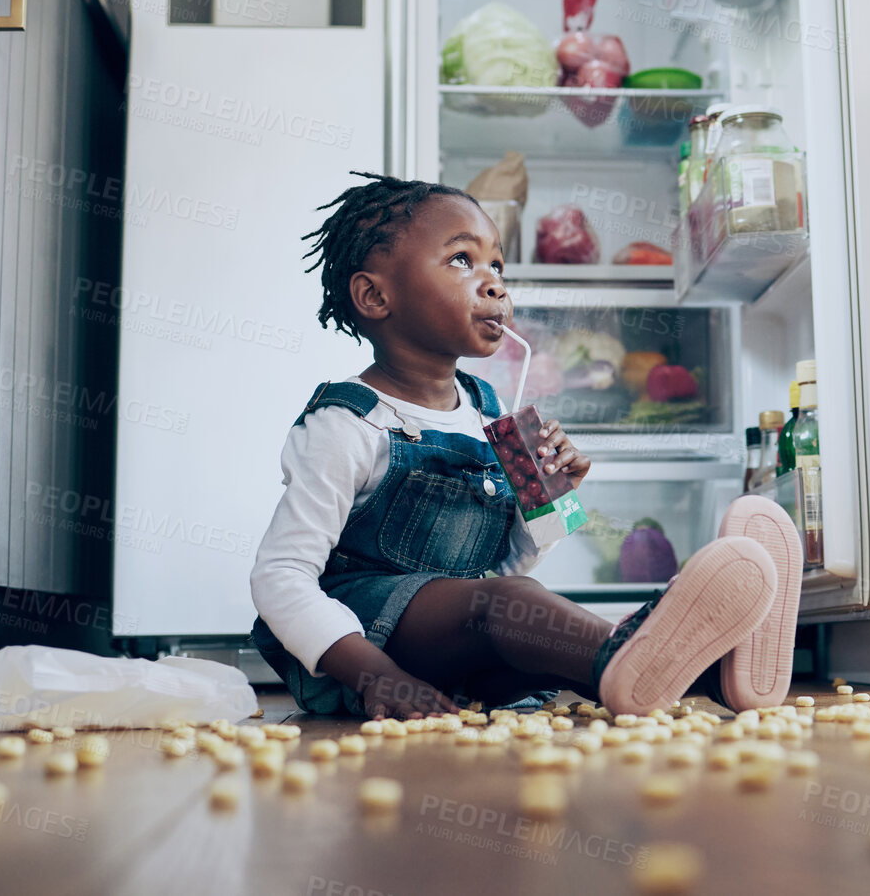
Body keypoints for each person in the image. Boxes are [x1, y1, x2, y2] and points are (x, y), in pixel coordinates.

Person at [249, 173, 803, 719]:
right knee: (511, 602)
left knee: (544, 650)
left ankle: (710, 677)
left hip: (458, 653)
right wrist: (379, 676)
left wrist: (554, 501)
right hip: (367, 651)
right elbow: (280, 577)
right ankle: (638, 641)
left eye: (497, 266)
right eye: (462, 261)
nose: (494, 283)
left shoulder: (490, 411)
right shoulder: (347, 422)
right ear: (375, 296)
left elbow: (512, 556)